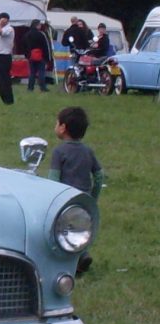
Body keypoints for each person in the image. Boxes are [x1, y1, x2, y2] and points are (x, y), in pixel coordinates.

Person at [48, 106, 103, 275]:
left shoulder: (59, 152)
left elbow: (53, 179)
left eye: (57, 123)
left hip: (64, 199)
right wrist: (93, 197)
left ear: (63, 128)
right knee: (79, 229)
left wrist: (50, 199)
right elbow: (99, 176)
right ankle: (82, 256)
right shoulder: (88, 151)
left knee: (60, 231)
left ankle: (64, 260)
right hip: (83, 198)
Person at [0, 12, 16, 104]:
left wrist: (0, 24)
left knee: (4, 79)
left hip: (4, 57)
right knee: (0, 78)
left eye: (0, 19)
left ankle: (8, 99)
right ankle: (4, 98)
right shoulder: (5, 28)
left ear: (5, 19)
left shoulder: (9, 29)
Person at [23, 19, 51, 92]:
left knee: (32, 73)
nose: (41, 26)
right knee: (41, 72)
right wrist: (47, 58)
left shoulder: (27, 34)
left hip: (31, 56)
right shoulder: (41, 34)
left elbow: (24, 46)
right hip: (41, 56)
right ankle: (43, 87)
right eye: (39, 25)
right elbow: (46, 46)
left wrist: (27, 55)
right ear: (37, 25)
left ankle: (30, 88)